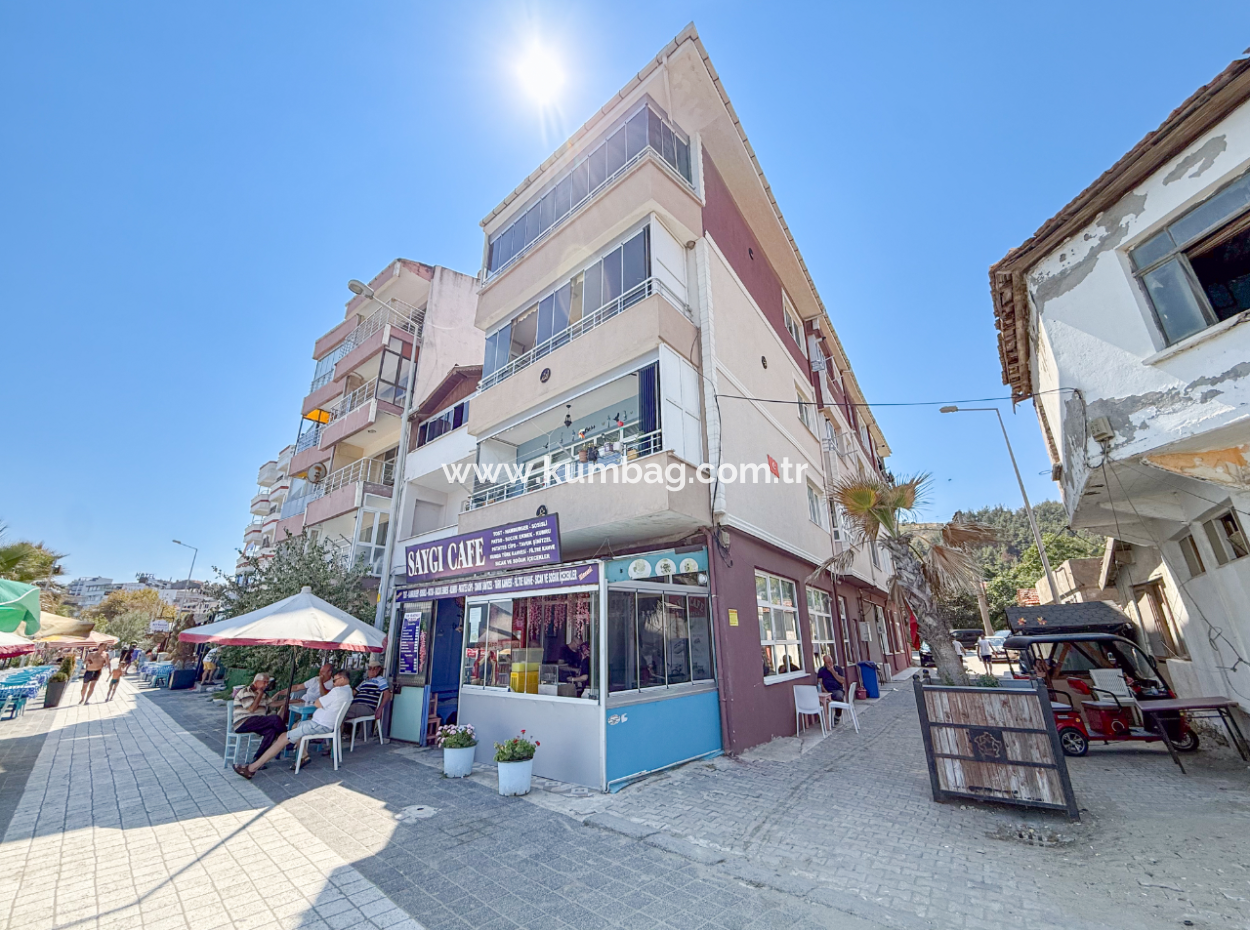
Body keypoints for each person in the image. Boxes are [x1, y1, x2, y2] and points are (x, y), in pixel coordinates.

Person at [234, 669, 353, 778]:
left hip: (319, 726)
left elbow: (317, 703)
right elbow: (255, 708)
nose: (333, 682)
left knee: (282, 736)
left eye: (335, 680)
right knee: (295, 725)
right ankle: (303, 755)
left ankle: (251, 768)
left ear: (342, 679)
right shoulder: (348, 691)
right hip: (321, 724)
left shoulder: (337, 691)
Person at [232, 673, 288, 764]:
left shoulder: (263, 694)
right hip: (243, 722)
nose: (266, 685)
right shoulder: (246, 691)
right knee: (275, 719)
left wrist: (290, 701)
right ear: (256, 682)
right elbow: (252, 709)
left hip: (256, 721)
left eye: (267, 683)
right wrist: (260, 694)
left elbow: (272, 704)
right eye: (264, 682)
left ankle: (257, 759)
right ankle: (288, 740)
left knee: (271, 731)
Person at [817, 654, 848, 724]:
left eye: (829, 662)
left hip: (837, 690)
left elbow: (842, 681)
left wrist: (832, 671)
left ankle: (837, 716)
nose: (828, 664)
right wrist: (825, 691)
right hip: (826, 691)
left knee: (839, 696)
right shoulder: (822, 670)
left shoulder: (838, 669)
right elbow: (820, 683)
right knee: (819, 698)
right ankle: (823, 717)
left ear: (832, 661)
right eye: (826, 663)